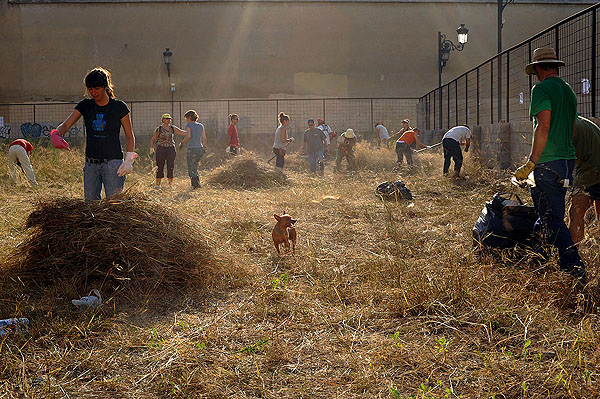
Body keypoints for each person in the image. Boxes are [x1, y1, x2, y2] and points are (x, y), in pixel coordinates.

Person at [514, 47, 585, 283]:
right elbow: (573, 128)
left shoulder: (541, 89)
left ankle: (576, 271)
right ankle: (537, 258)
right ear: (555, 66)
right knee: (547, 214)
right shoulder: (568, 91)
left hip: (547, 163)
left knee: (552, 220)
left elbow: (542, 126)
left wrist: (532, 161)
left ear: (537, 69)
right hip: (566, 162)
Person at [55, 67, 136, 201]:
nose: (93, 92)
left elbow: (130, 136)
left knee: (114, 205)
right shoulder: (85, 105)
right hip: (91, 164)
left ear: (105, 86)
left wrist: (129, 160)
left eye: (97, 88)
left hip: (113, 164)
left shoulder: (119, 107)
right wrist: (56, 134)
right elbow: (65, 125)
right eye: (90, 89)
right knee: (91, 207)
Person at [568, 116, 600, 244]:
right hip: (593, 166)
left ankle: (572, 253)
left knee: (576, 211)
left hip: (591, 170)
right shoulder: (580, 121)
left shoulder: (566, 126)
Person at [149, 113, 187, 187]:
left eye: (169, 119)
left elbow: (182, 132)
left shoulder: (172, 128)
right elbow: (153, 139)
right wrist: (151, 149)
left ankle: (170, 184)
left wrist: (190, 130)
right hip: (161, 148)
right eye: (167, 118)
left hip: (170, 149)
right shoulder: (159, 129)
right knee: (159, 166)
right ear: (163, 119)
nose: (168, 120)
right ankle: (158, 185)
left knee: (170, 166)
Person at [179, 109, 207, 189]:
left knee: (191, 166)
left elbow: (188, 136)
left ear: (190, 117)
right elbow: (204, 138)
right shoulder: (201, 125)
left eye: (186, 119)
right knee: (195, 165)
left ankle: (195, 185)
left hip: (192, 148)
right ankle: (197, 183)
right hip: (200, 148)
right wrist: (204, 147)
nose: (186, 121)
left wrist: (182, 143)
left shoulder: (188, 125)